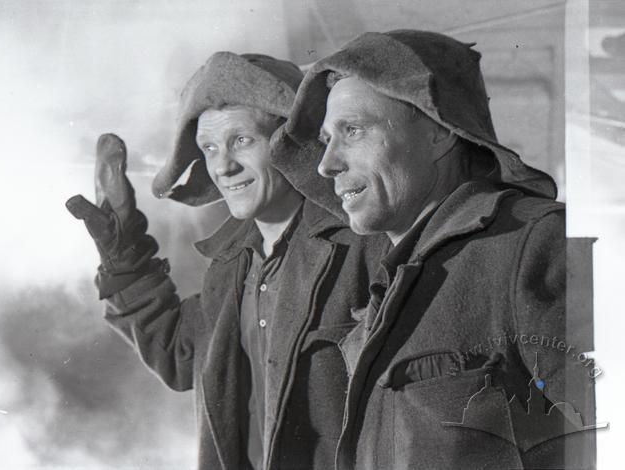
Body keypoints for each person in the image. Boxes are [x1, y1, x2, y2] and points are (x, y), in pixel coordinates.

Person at [275, 30, 596, 469]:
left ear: (438, 134)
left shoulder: (534, 243)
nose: (326, 164)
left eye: (352, 130)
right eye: (328, 138)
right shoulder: (391, 273)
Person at [67, 52, 389, 470]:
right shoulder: (231, 267)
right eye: (209, 147)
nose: (223, 165)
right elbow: (180, 356)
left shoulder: (366, 245)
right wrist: (122, 248)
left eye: (242, 140)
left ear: (292, 143)